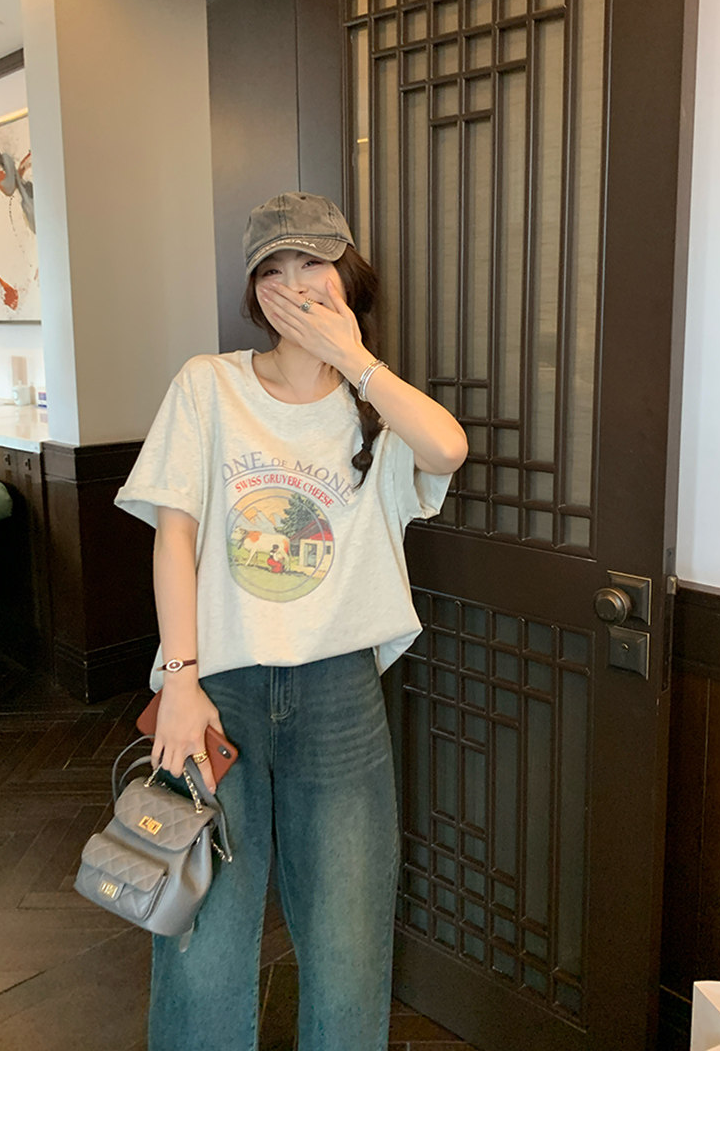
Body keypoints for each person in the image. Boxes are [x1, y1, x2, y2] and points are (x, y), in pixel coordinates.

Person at [115, 191, 467, 1050]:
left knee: (348, 947)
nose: (295, 282)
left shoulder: (376, 408)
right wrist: (180, 679)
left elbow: (449, 449)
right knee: (202, 941)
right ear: (253, 289)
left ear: (349, 274)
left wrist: (354, 359)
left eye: (313, 262)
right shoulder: (209, 385)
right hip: (216, 691)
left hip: (339, 695)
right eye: (273, 268)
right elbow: (173, 537)